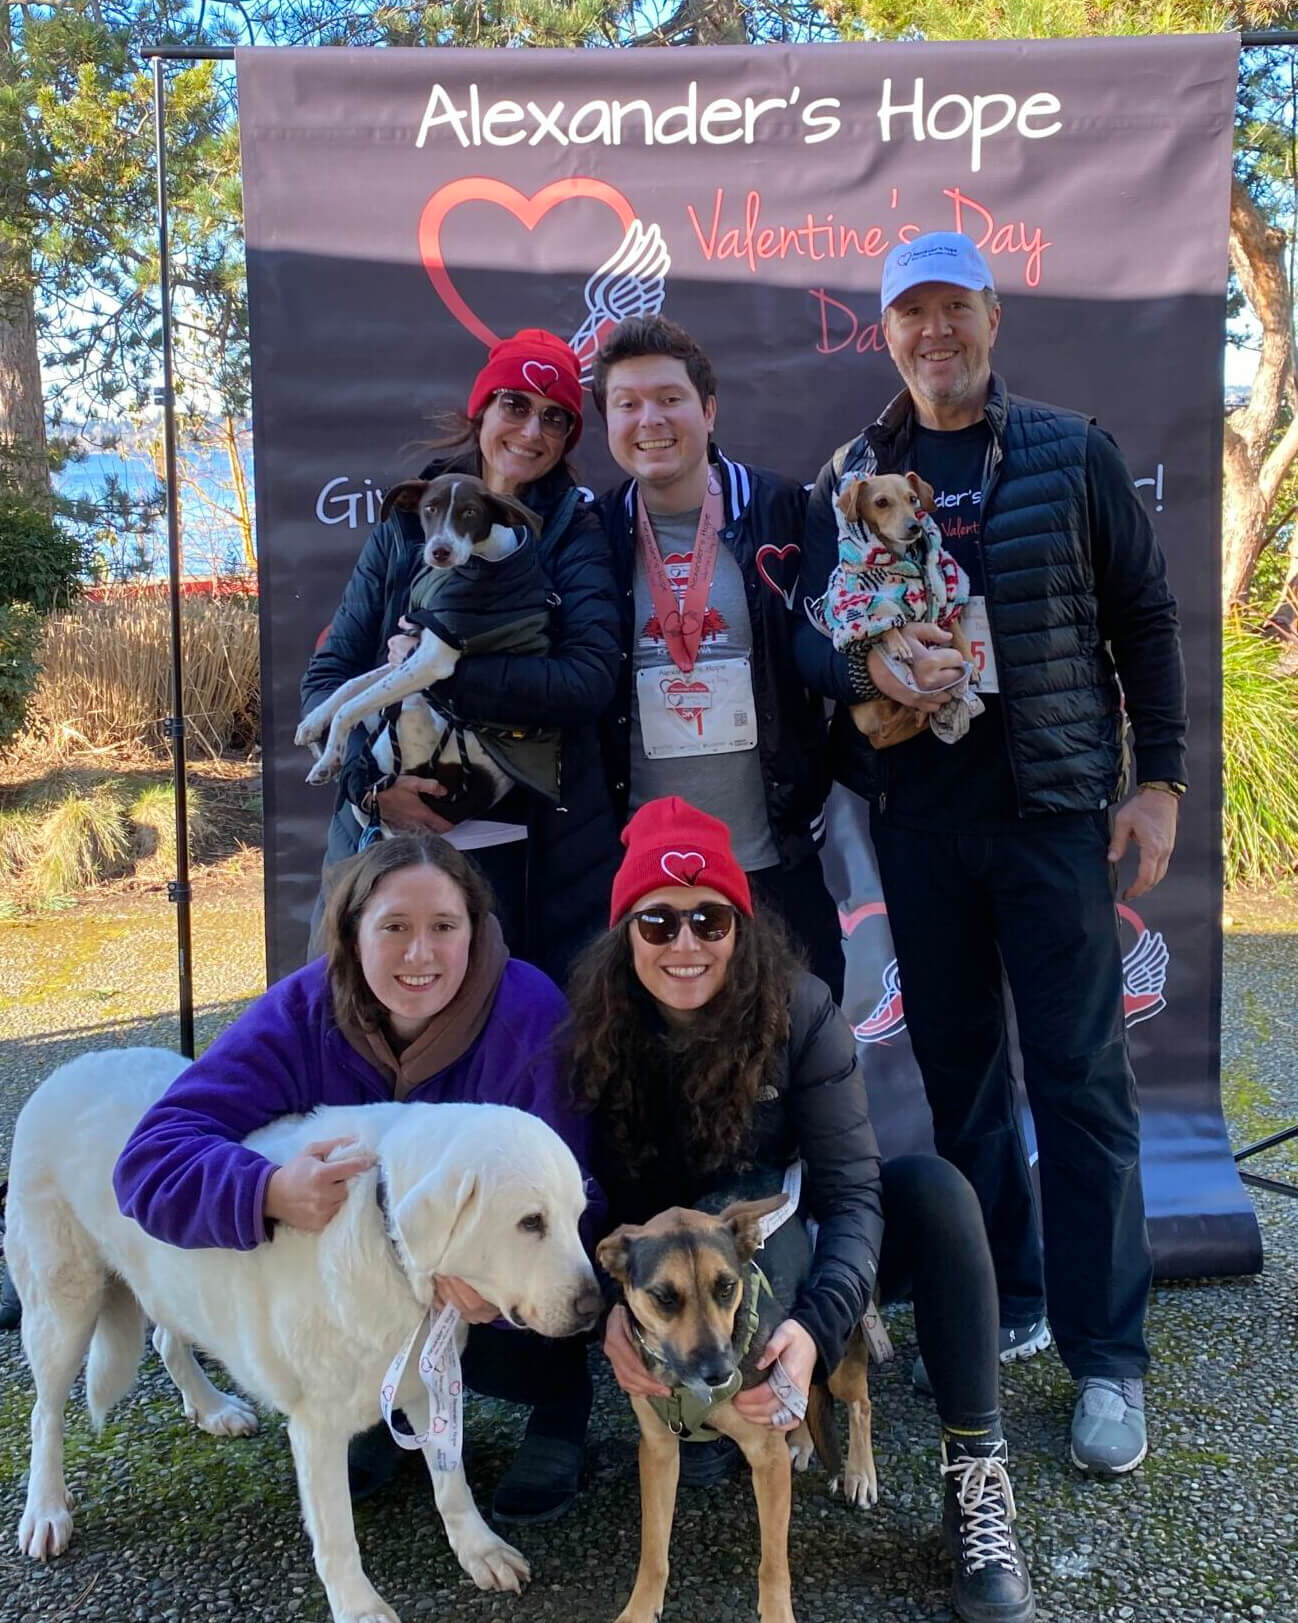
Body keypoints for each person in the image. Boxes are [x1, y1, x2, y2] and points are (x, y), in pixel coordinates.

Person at [795, 231, 1188, 1476]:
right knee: (960, 1086)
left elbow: (1143, 621)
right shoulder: (854, 470)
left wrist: (1160, 784)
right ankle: (1001, 1302)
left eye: (952, 308)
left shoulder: (1072, 452)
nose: (932, 333)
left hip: (1054, 818)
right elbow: (819, 640)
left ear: (990, 316)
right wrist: (869, 672)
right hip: (921, 827)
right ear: (887, 331)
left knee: (1078, 1086)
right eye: (909, 314)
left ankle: (1105, 1361)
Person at [568, 796, 1036, 1623]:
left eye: (710, 919)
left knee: (935, 1194)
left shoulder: (802, 1009)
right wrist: (612, 1311)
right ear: (624, 932)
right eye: (658, 922)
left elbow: (855, 1190)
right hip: (674, 1279)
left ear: (740, 929)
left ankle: (976, 1477)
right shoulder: (598, 1032)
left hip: (799, 1241)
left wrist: (814, 1330)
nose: (685, 944)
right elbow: (587, 1202)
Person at [113, 832, 598, 1524]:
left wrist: (493, 1285)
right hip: (374, 1290)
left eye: (444, 926)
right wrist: (268, 1190)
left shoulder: (531, 1017)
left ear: (477, 930)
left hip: (503, 1293)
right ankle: (378, 1410)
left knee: (553, 1280)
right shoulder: (302, 1012)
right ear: (350, 931)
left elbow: (583, 1196)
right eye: (394, 926)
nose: (420, 952)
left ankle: (557, 1404)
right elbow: (149, 1160)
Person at [300, 328, 622, 986]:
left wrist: (442, 670)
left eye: (555, 416)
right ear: (481, 411)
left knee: (502, 1056)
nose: (532, 431)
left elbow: (586, 681)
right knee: (350, 1038)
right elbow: (329, 675)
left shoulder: (572, 533)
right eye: (515, 404)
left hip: (518, 857)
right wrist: (371, 786)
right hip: (376, 843)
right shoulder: (407, 519)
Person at [591, 316, 845, 1003]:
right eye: (627, 403)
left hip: (772, 861)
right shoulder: (590, 536)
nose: (650, 419)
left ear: (708, 409)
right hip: (644, 873)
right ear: (608, 423)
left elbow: (838, 648)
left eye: (670, 398)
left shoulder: (784, 510)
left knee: (797, 1067)